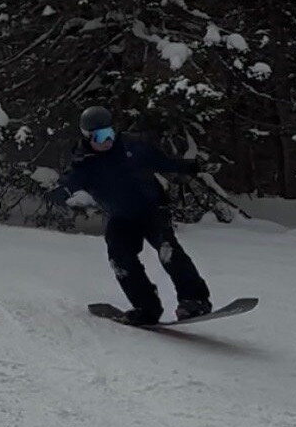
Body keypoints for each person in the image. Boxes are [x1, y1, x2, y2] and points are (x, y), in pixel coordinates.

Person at [46, 105, 212, 326]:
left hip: (152, 209)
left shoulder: (133, 146)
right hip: (121, 217)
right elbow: (66, 185)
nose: (107, 140)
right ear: (88, 138)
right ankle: (146, 307)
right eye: (100, 136)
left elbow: (164, 162)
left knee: (168, 250)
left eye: (110, 133)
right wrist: (60, 194)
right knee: (120, 260)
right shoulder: (83, 164)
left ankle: (194, 300)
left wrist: (191, 167)